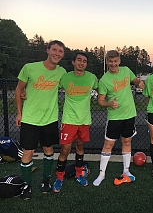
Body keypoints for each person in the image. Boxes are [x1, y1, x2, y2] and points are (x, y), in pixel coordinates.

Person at [15, 40, 66, 200]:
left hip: (50, 119)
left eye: (61, 51)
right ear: (48, 50)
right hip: (30, 118)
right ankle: (27, 185)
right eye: (55, 50)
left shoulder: (62, 72)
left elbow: (76, 83)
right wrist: (19, 113)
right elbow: (19, 89)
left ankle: (46, 180)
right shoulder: (30, 68)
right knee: (28, 151)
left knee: (48, 149)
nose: (57, 53)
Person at [93, 50, 144, 186]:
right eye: (110, 61)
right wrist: (110, 103)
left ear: (119, 61)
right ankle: (102, 173)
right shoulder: (104, 80)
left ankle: (126, 171)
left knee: (127, 141)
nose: (113, 64)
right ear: (107, 62)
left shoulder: (126, 70)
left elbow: (135, 80)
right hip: (115, 117)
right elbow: (100, 101)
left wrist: (141, 83)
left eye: (115, 61)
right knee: (109, 144)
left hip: (129, 114)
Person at [52, 52, 98, 192]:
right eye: (79, 60)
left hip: (84, 120)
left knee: (80, 147)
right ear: (73, 62)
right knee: (65, 149)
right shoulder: (65, 77)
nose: (81, 63)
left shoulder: (92, 78)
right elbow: (51, 89)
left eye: (84, 61)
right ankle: (59, 178)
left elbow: (102, 90)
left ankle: (79, 174)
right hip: (69, 120)